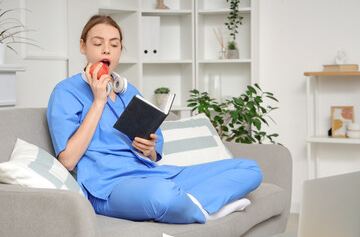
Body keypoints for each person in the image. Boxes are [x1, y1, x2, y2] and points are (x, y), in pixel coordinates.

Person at [47, 14, 263, 224]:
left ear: (120, 50)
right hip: (108, 186)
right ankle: (205, 209)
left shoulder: (128, 91)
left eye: (114, 45)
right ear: (83, 47)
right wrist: (98, 102)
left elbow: (152, 153)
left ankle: (194, 205)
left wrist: (148, 148)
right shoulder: (66, 91)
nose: (106, 50)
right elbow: (67, 160)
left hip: (152, 174)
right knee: (163, 195)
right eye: (98, 43)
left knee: (250, 169)